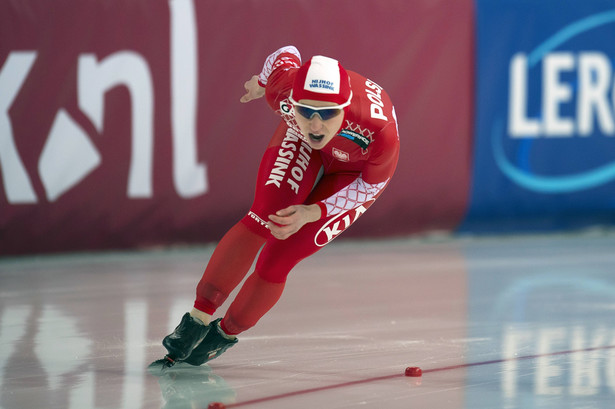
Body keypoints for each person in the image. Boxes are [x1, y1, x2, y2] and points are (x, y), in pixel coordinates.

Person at [156, 45, 400, 367]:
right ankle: (196, 320)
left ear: (344, 108)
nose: (315, 125)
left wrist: (315, 212)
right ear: (293, 103)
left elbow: (370, 185)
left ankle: (225, 334)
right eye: (306, 111)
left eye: (327, 114)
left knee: (278, 257)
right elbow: (285, 52)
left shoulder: (378, 132)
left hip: (354, 172)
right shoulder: (284, 90)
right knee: (264, 217)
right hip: (298, 144)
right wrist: (261, 82)